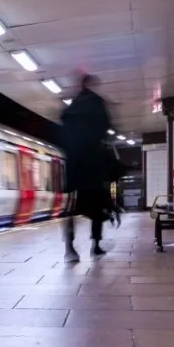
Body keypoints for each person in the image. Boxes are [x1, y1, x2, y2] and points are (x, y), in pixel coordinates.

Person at [60, 73, 113, 262]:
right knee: (98, 208)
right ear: (91, 84)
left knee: (71, 209)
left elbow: (63, 135)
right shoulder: (97, 104)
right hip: (93, 166)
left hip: (75, 167)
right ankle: (96, 245)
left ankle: (69, 248)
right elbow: (106, 129)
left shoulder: (70, 109)